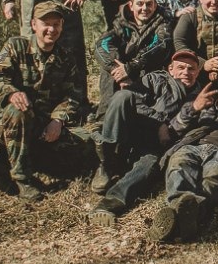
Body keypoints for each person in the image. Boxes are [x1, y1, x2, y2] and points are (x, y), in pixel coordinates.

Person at [87, 50, 206, 226]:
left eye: (191, 69)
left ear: (197, 72)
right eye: (181, 67)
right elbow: (134, 101)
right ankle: (107, 163)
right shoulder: (156, 79)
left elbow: (191, 130)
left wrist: (170, 131)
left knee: (148, 167)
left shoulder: (200, 97)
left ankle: (108, 205)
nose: (186, 72)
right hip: (133, 131)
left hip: (154, 146)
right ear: (170, 69)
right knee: (122, 96)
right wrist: (159, 123)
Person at [0, 1, 90, 202]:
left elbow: (72, 96)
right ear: (34, 24)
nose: (51, 29)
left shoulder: (66, 57)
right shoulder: (16, 46)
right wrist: (11, 94)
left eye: (57, 24)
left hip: (43, 124)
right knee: (20, 111)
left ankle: (26, 157)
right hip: (8, 122)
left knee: (85, 144)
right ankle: (21, 179)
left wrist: (58, 121)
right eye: (46, 24)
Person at [148, 84, 218, 242]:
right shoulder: (205, 112)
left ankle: (175, 220)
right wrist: (195, 107)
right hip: (192, 147)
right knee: (179, 165)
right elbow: (174, 128)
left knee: (214, 177)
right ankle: (184, 213)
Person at [93, 0, 173, 117]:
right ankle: (104, 117)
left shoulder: (163, 23)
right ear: (131, 6)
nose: (144, 8)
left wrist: (131, 68)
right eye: (140, 4)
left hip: (148, 70)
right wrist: (118, 70)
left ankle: (148, 115)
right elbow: (102, 45)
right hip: (123, 72)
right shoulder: (121, 23)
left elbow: (160, 44)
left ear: (155, 5)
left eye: (149, 4)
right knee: (108, 69)